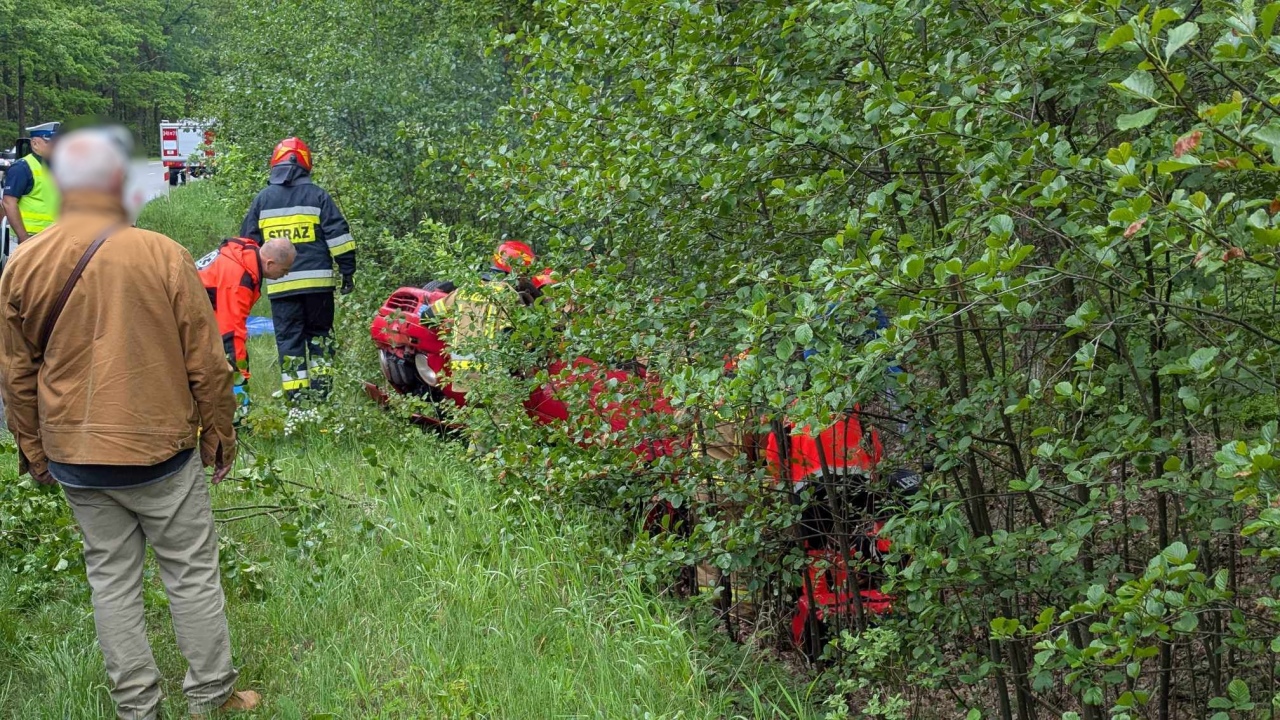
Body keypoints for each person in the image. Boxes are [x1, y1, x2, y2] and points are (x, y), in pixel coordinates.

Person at [0, 127, 258, 719]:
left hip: (74, 455)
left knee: (110, 581)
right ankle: (212, 697)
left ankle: (137, 709)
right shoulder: (162, 254)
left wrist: (35, 451)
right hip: (159, 453)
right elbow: (208, 361)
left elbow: (15, 376)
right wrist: (220, 433)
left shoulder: (22, 264)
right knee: (190, 573)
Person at [240, 137, 355, 398]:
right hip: (319, 288)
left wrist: (251, 282)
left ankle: (297, 400)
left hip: (282, 287)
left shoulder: (263, 199)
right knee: (320, 339)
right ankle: (323, 395)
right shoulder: (318, 196)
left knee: (289, 343)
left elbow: (247, 244)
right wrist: (348, 270)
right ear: (306, 165)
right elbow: (339, 236)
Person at [197, 236, 297, 417]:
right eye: (284, 270)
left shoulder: (245, 257)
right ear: (270, 263)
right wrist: (240, 377)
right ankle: (237, 416)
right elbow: (231, 332)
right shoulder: (238, 279)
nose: (286, 274)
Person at [2, 121, 61, 243]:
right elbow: (9, 203)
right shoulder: (22, 167)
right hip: (30, 237)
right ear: (34, 144)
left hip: (54, 237)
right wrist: (23, 238)